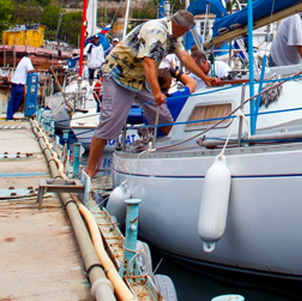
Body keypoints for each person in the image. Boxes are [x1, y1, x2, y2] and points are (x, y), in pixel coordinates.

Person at [84, 10, 222, 178]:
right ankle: (90, 170)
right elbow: (148, 63)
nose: (184, 34)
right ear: (182, 28)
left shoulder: (172, 34)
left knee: (164, 118)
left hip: (139, 79)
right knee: (110, 121)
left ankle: (167, 154)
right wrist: (157, 93)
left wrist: (205, 78)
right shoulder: (155, 32)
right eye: (185, 31)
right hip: (118, 76)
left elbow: (184, 57)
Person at [6, 55, 35, 119]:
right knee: (20, 99)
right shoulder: (27, 60)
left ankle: (9, 115)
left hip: (15, 82)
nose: (33, 60)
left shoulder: (23, 60)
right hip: (19, 83)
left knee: (13, 99)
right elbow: (30, 70)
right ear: (30, 56)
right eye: (33, 58)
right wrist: (34, 71)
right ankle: (11, 113)